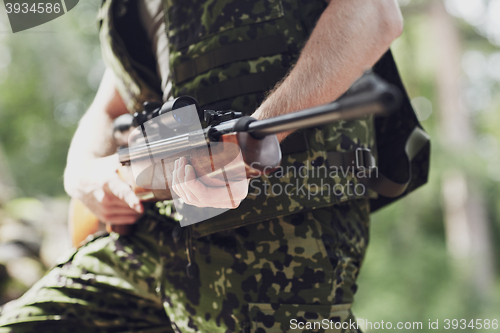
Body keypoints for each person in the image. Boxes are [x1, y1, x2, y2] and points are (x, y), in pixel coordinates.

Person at [0, 0, 404, 332]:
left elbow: (373, 14)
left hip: (279, 235)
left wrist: (261, 133)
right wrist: (83, 172)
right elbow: (113, 105)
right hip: (148, 238)